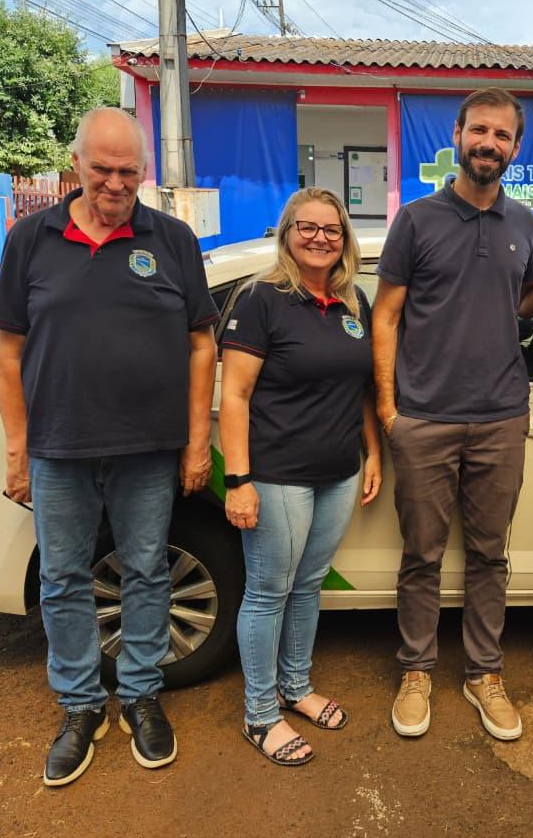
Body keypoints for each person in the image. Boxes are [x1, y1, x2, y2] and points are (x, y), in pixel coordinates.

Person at [0, 107, 218, 786]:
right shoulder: (32, 239)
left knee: (147, 570)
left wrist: (196, 441)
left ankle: (141, 695)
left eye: (128, 172)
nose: (115, 184)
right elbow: (9, 352)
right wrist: (15, 450)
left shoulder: (172, 240)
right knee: (62, 580)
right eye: (102, 169)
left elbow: (202, 344)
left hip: (148, 448)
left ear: (144, 172)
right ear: (76, 163)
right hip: (58, 449)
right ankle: (81, 706)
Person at [373, 87, 533, 741]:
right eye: (479, 131)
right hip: (426, 417)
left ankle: (483, 673)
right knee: (422, 555)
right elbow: (385, 315)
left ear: (516, 149)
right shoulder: (416, 220)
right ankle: (416, 670)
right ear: (458, 135)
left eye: (502, 136)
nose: (489, 143)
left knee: (492, 556)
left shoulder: (522, 222)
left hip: (500, 415)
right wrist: (388, 409)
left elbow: (514, 305)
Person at [218, 187, 382, 767]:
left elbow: (358, 388)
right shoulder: (262, 298)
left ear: (345, 239)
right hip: (278, 472)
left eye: (332, 230)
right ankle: (261, 715)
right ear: (287, 232)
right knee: (268, 592)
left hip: (337, 471)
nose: (320, 238)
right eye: (307, 227)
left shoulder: (352, 301)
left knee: (308, 585)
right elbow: (234, 395)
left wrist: (373, 453)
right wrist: (239, 480)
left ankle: (296, 686)